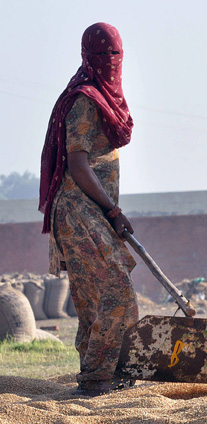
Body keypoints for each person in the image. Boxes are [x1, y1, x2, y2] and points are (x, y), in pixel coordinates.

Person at [38, 23, 138, 396]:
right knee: (116, 291)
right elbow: (78, 165)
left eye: (115, 53)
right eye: (102, 54)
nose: (109, 61)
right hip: (78, 211)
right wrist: (113, 210)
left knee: (93, 298)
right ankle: (98, 376)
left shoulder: (103, 100)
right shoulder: (85, 100)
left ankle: (106, 373)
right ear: (87, 57)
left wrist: (108, 212)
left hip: (92, 211)